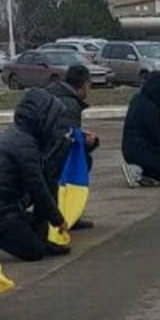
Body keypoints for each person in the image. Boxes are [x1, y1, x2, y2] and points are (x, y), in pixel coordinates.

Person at [0, 88, 71, 261]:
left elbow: (44, 185)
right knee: (33, 252)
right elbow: (38, 188)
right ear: (43, 119)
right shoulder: (24, 145)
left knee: (36, 230)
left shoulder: (23, 135)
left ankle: (38, 240)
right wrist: (58, 220)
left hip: (1, 204)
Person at [47, 64, 100, 229]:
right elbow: (67, 141)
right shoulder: (70, 105)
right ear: (84, 84)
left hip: (45, 150)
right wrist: (89, 143)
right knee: (82, 163)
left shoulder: (55, 94)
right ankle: (67, 214)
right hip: (53, 156)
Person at [121, 72, 160, 186]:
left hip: (132, 149)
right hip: (140, 152)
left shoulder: (137, 100)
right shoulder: (151, 109)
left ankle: (141, 173)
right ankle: (136, 171)